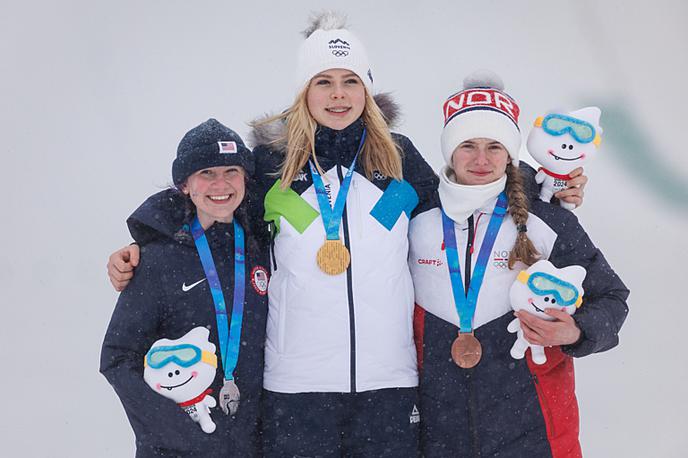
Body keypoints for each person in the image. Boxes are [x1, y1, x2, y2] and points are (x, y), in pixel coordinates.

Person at [105, 12, 589, 457]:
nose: (338, 95)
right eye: (325, 82)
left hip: (391, 385)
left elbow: (468, 188)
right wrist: (144, 237)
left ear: (367, 89)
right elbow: (211, 197)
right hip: (295, 386)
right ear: (304, 92)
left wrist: (543, 183)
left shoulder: (397, 158)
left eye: (350, 81)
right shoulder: (272, 165)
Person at [408, 72, 629, 457]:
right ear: (448, 151)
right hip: (436, 427)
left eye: (495, 146)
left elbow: (611, 298)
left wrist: (576, 332)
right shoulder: (414, 217)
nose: (481, 159)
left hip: (533, 425)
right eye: (467, 145)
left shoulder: (548, 219)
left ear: (511, 153)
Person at [100, 119, 268, 457]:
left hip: (250, 445)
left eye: (231, 171)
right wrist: (181, 433)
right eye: (206, 172)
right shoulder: (157, 259)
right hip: (176, 449)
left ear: (245, 180)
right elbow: (118, 357)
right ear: (185, 185)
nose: (220, 184)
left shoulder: (261, 249)